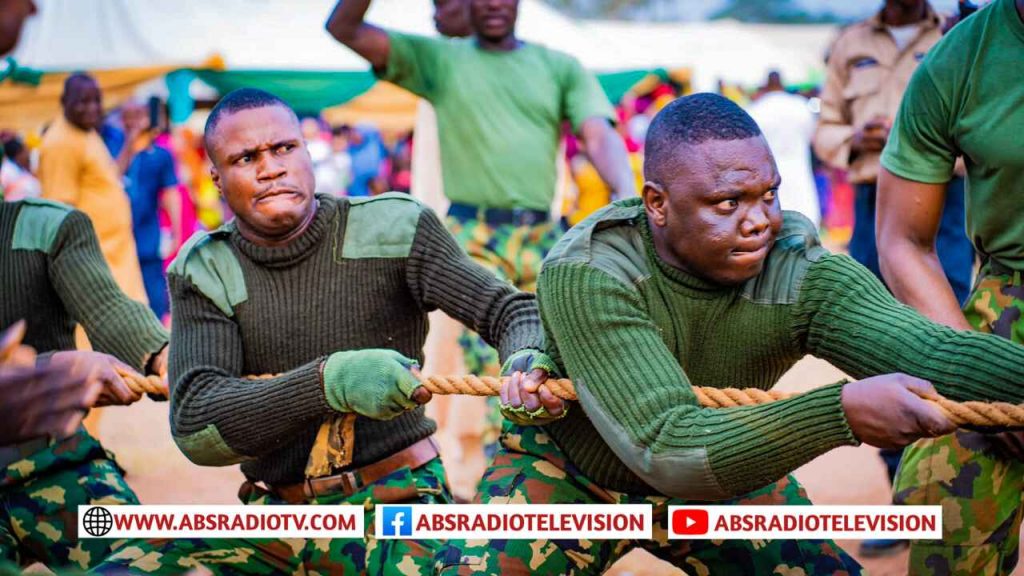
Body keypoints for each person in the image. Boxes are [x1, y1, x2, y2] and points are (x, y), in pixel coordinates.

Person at [437, 92, 1024, 575]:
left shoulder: (797, 267)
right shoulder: (591, 270)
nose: (759, 219)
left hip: (726, 470)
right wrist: (841, 413)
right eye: (727, 202)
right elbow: (667, 444)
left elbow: (935, 352)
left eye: (768, 194)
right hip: (571, 477)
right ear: (657, 205)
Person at [94, 88, 550, 575]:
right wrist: (331, 383)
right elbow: (198, 427)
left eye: (284, 148)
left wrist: (527, 360)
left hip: (398, 506)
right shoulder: (206, 267)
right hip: (274, 519)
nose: (270, 168)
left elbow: (510, 311)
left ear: (308, 153)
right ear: (217, 179)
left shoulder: (393, 227)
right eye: (246, 157)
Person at [327, 0, 635, 380]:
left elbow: (597, 132)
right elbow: (346, 28)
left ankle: (524, 437)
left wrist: (624, 191)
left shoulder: (559, 67)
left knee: (555, 358)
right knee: (503, 360)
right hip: (473, 238)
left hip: (542, 237)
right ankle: (499, 440)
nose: (492, 3)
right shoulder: (440, 61)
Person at [812, 1, 976, 555]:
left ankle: (963, 495)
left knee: (957, 336)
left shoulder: (962, 33)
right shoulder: (849, 42)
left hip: (944, 204)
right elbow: (824, 128)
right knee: (878, 347)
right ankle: (906, 503)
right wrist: (857, 138)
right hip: (869, 206)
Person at [876, 0, 1024, 573]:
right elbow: (902, 240)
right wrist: (977, 373)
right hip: (1008, 301)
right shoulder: (961, 61)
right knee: (946, 506)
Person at [0, 192, 170, 570]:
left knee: (142, 563)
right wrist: (53, 367)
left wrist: (161, 354)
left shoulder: (47, 225)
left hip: (51, 459)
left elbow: (107, 307)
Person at [37, 73, 149, 304]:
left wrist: (130, 141)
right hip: (95, 263)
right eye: (83, 101)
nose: (92, 108)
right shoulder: (60, 142)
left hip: (115, 255)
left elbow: (110, 177)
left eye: (97, 100)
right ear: (64, 101)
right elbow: (59, 211)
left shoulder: (85, 133)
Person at [120, 99, 183, 321]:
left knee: (154, 300)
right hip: (116, 242)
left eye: (139, 115)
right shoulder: (111, 144)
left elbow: (171, 193)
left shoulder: (161, 154)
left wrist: (177, 232)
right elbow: (112, 177)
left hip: (147, 239)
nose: (134, 121)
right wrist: (130, 145)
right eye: (129, 115)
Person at [748, 71, 820, 227]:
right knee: (803, 202)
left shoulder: (757, 108)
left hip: (769, 167)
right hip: (798, 162)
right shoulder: (799, 106)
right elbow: (812, 134)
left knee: (777, 202)